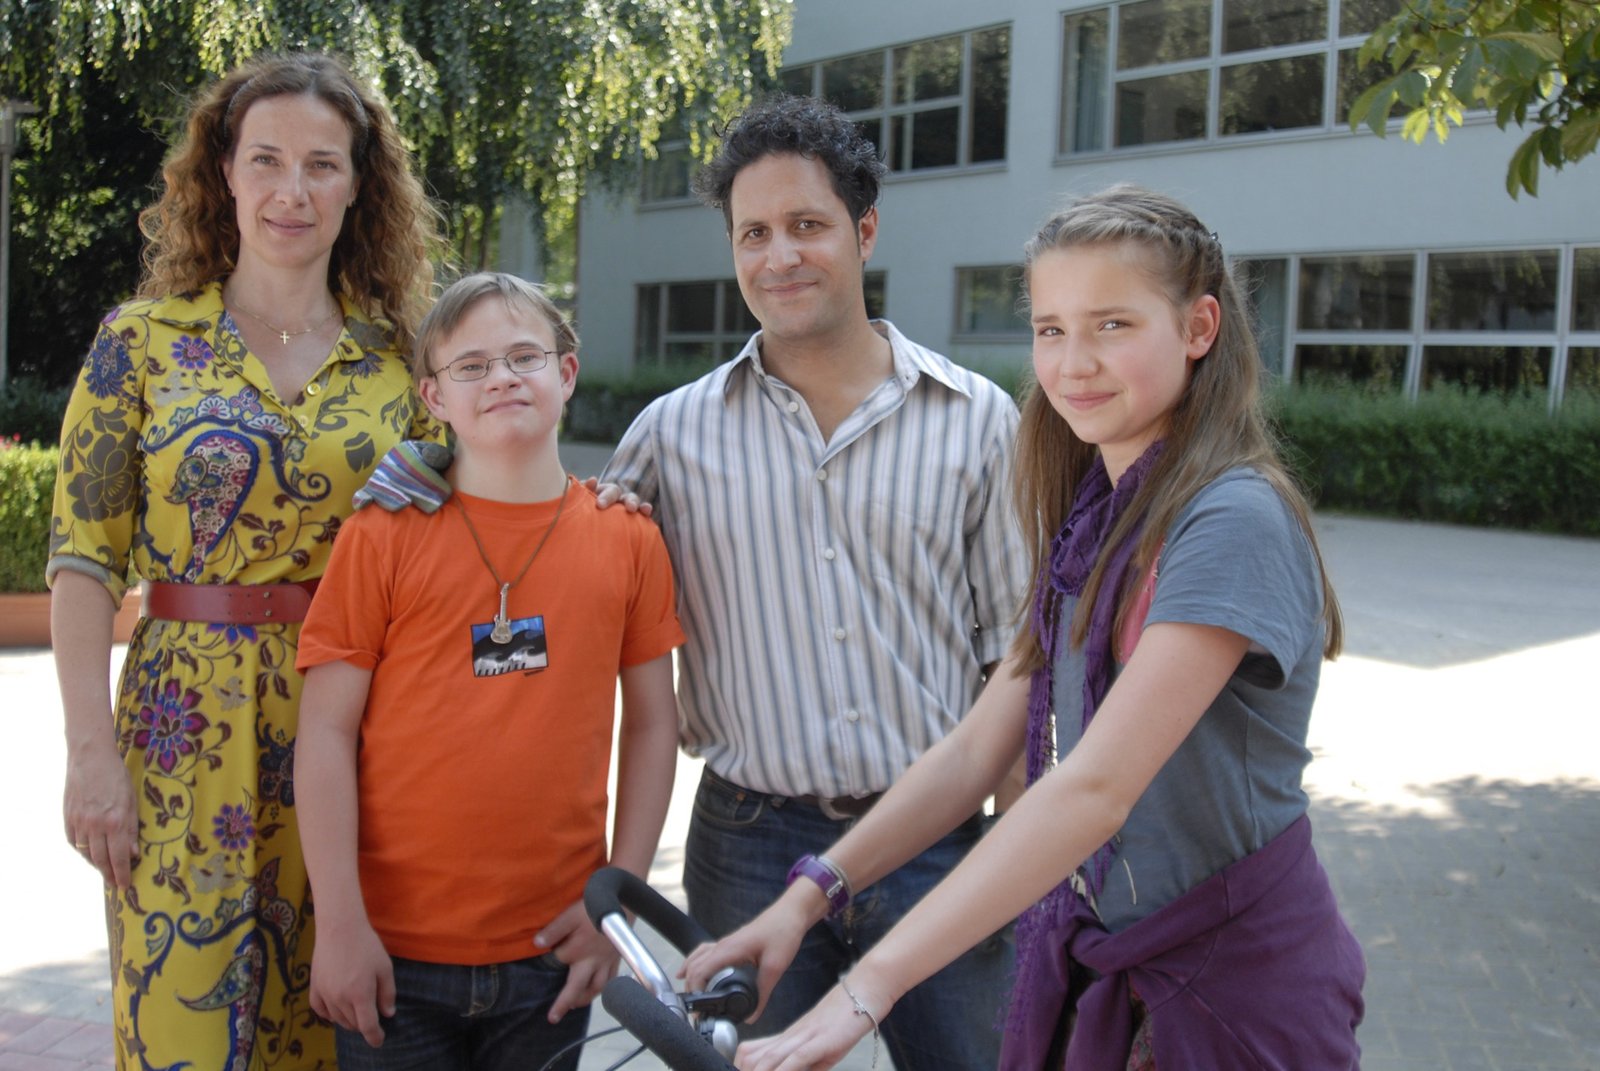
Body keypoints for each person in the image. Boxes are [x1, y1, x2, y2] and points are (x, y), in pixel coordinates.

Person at [684, 185, 1367, 1071]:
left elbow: (1093, 788)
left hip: (1231, 988)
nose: (1074, 362)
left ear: (1199, 327)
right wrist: (807, 898)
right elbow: (976, 751)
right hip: (1127, 969)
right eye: (1051, 329)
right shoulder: (1094, 520)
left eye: (1112, 324)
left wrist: (871, 982)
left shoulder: (1231, 516)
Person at [599, 93, 1028, 1068]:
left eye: (806, 225)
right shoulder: (668, 435)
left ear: (864, 231)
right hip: (746, 840)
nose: (779, 255)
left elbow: (1015, 660)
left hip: (936, 840)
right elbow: (555, 558)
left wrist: (1024, 858)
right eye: (753, 233)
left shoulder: (977, 420)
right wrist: (438, 474)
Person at [48, 52, 444, 1069]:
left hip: (358, 735)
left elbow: (478, 522)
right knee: (184, 1028)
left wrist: (607, 510)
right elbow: (83, 561)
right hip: (179, 736)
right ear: (224, 172)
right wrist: (90, 755)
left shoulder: (404, 363)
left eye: (322, 164)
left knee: (338, 1027)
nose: (291, 190)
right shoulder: (138, 344)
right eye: (266, 159)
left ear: (358, 184)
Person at [293, 272, 684, 1071]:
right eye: (471, 366)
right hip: (392, 952)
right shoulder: (382, 535)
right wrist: (338, 924)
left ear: (566, 373)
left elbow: (653, 725)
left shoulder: (627, 538)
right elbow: (325, 730)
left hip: (553, 950)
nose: (501, 376)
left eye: (523, 356)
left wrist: (618, 900)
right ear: (433, 397)